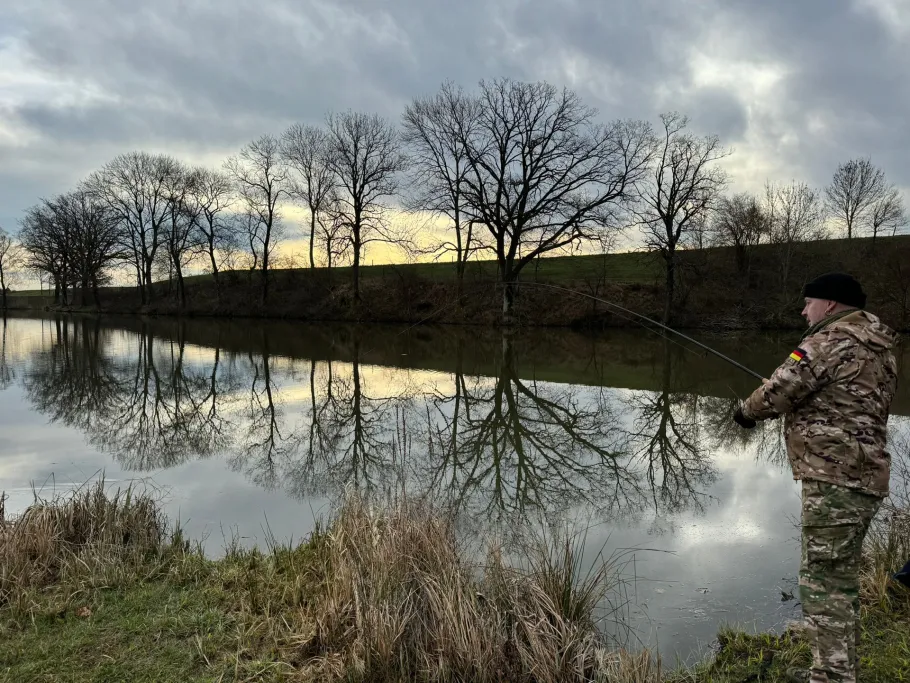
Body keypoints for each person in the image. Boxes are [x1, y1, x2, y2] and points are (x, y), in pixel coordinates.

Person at [733, 272, 899, 683]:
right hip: (864, 474)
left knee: (824, 580)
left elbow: (779, 391)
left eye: (808, 303)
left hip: (835, 476)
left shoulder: (828, 341)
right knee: (837, 575)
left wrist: (745, 411)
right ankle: (836, 660)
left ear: (829, 304)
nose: (804, 312)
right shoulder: (880, 346)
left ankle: (832, 675)